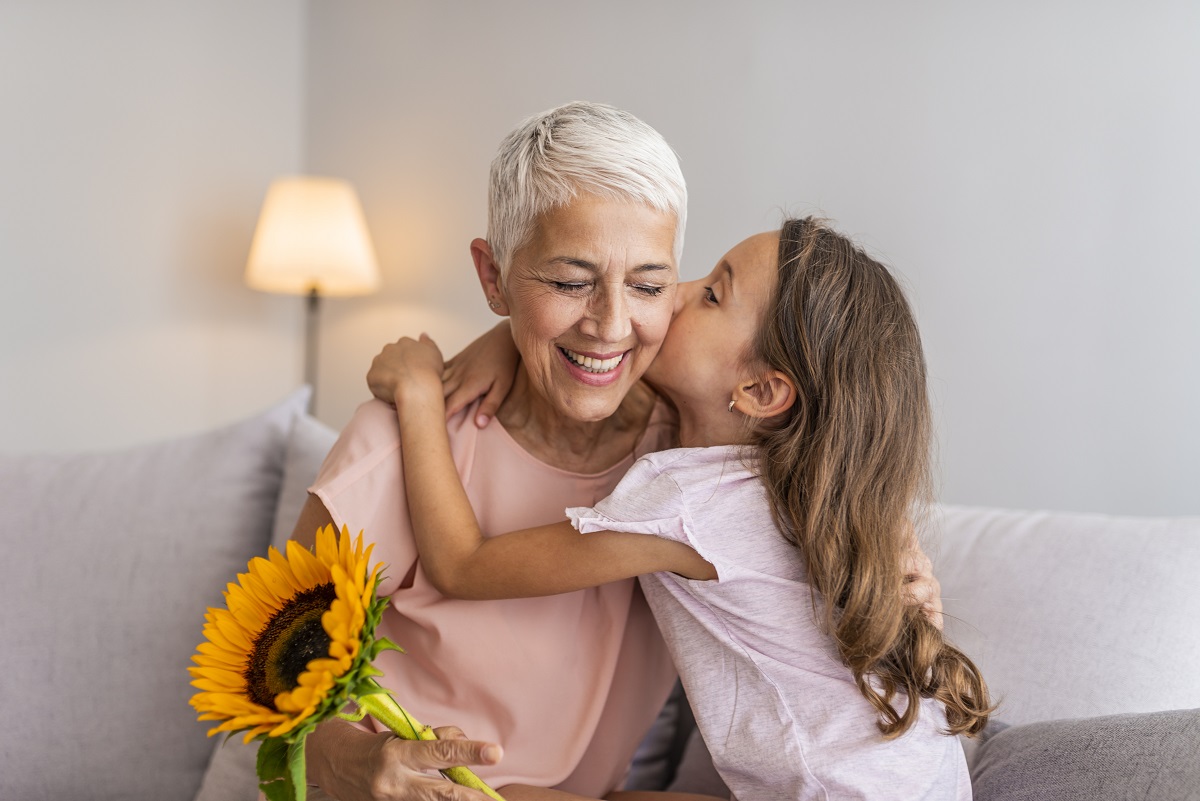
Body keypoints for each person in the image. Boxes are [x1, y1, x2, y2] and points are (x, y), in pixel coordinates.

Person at [295, 101, 942, 801]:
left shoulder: (688, 455)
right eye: (570, 282)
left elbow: (464, 562)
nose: (611, 324)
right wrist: (348, 763)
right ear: (494, 278)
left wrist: (900, 560)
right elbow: (263, 692)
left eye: (650, 285)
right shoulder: (395, 447)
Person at [374, 216, 991, 800]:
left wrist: (420, 394)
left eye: (713, 295)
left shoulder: (689, 504)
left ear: (759, 390)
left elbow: (462, 565)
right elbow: (600, 355)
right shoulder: (804, 479)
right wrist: (506, 340)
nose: (675, 290)